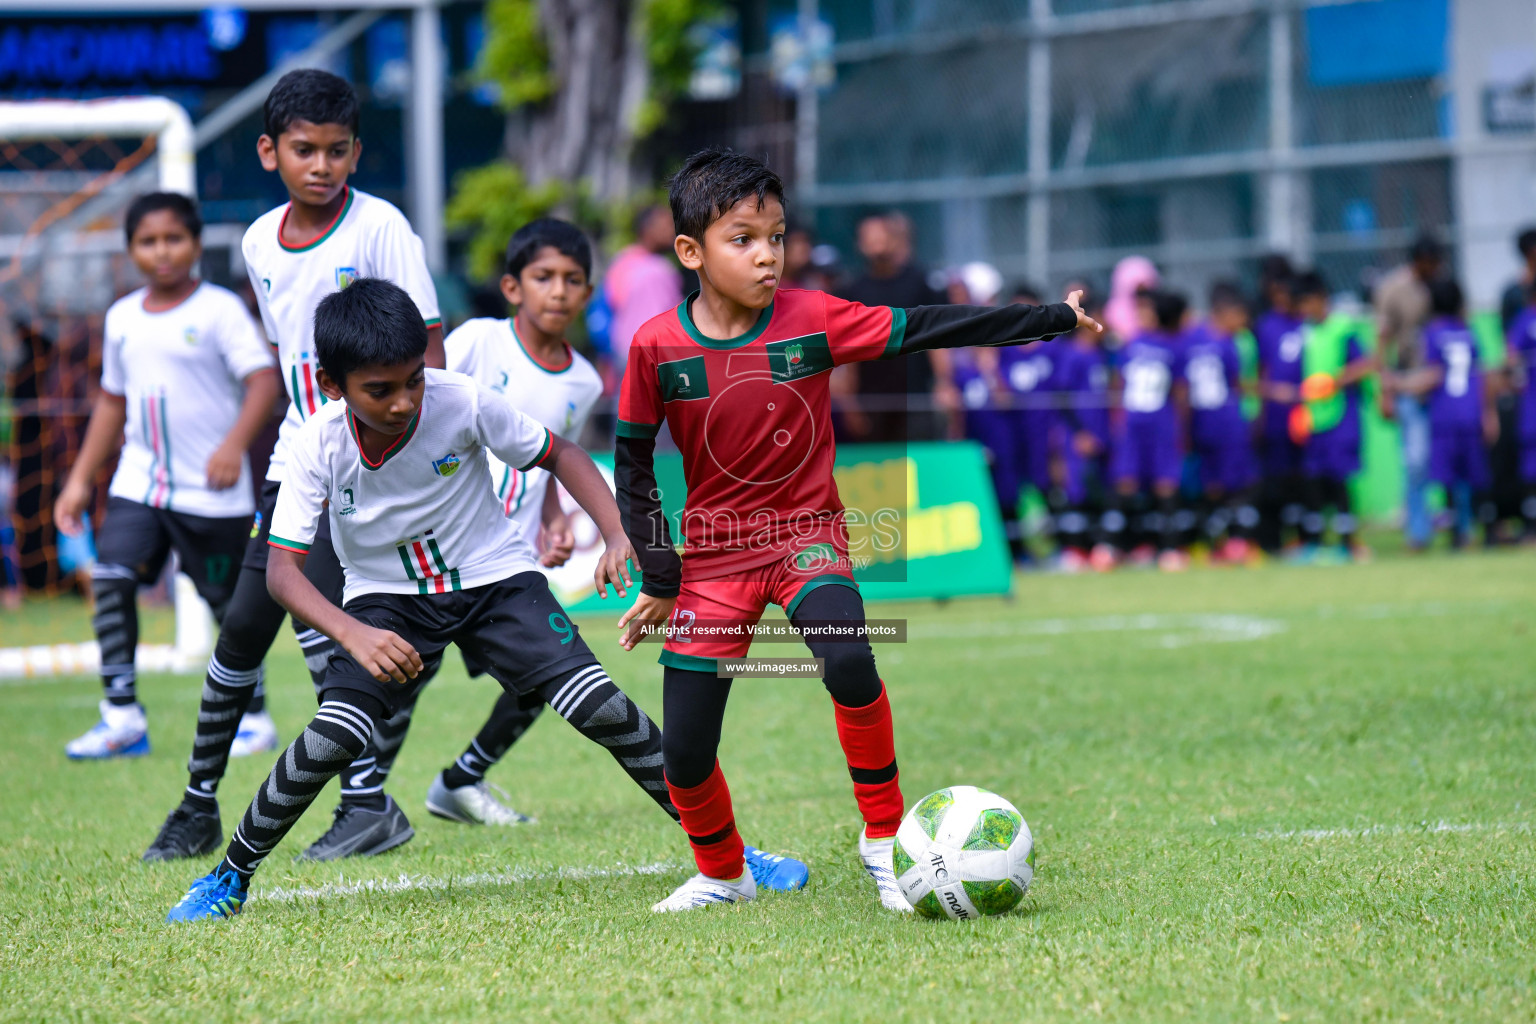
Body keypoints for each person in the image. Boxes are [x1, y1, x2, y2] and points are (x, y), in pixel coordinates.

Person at [613, 148, 1098, 912]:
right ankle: (723, 873)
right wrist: (660, 575)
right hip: (712, 559)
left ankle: (883, 840)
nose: (767, 255)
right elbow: (632, 463)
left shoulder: (814, 317)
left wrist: (1051, 319)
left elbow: (935, 325)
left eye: (776, 236)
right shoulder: (655, 346)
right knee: (685, 750)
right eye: (743, 239)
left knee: (847, 658)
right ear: (690, 251)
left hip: (808, 536)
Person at [164, 279, 735, 921]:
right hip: (386, 599)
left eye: (414, 380)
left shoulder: (460, 399)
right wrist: (354, 633)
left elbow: (562, 453)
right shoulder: (313, 443)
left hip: (496, 582)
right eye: (381, 390)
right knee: (333, 737)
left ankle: (731, 861)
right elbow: (283, 574)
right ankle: (227, 878)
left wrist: (613, 533)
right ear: (332, 385)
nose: (405, 401)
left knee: (603, 709)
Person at [141, 69, 447, 863]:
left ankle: (369, 806)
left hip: (371, 464)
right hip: (296, 461)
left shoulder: (381, 228)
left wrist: (410, 455)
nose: (321, 165)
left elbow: (428, 353)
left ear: (355, 153)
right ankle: (197, 806)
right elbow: (294, 363)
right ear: (269, 151)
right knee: (243, 626)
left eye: (337, 151)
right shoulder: (255, 242)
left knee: (333, 636)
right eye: (304, 150)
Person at [315, 218, 606, 835]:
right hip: (434, 548)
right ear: (512, 286)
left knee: (542, 679)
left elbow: (554, 455)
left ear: (587, 293)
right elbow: (430, 405)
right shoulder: (477, 341)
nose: (557, 291)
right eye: (543, 277)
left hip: (503, 554)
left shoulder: (586, 381)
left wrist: (553, 519)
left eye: (572, 280)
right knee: (409, 674)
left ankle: (462, 777)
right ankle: (366, 802)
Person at [54, 193, 280, 760]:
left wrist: (233, 447)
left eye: (173, 239)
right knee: (111, 578)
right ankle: (122, 716)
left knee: (227, 606)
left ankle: (253, 716)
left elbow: (262, 382)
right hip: (140, 482)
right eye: (148, 241)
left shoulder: (220, 309)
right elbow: (112, 400)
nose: (162, 252)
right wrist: (80, 478)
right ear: (130, 249)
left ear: (197, 244)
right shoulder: (123, 317)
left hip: (212, 492)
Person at [836, 211, 950, 443]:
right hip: (871, 401)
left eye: (881, 234)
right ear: (860, 243)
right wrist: (850, 404)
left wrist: (944, 383)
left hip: (915, 397)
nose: (876, 242)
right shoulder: (851, 290)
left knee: (916, 469)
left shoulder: (920, 282)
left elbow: (936, 339)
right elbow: (846, 353)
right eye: (869, 236)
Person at [1405, 280, 1498, 548]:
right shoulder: (1469, 332)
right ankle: (1485, 530)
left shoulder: (1432, 333)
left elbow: (1433, 374)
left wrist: (1400, 384)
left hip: (1444, 415)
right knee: (1475, 475)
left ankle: (1457, 534)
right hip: (1470, 413)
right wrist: (1489, 412)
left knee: (1449, 477)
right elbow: (1482, 374)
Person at [1293, 271, 1374, 562]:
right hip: (1313, 418)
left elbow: (1365, 364)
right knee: (1314, 481)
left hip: (1341, 417)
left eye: (1307, 303)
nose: (1304, 310)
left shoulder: (1343, 328)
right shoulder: (1305, 332)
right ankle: (1314, 543)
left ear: (1321, 299)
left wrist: (1334, 383)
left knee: (1340, 480)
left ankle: (1347, 543)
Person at [1109, 289, 1188, 571]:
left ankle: (1169, 548)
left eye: (1147, 310)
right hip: (1133, 423)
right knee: (1126, 481)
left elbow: (1180, 391)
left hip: (1161, 423)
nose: (1142, 315)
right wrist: (1117, 420)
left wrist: (1182, 427)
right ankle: (1112, 546)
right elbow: (1117, 385)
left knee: (1165, 483)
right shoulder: (1128, 345)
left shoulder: (1173, 346)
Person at [1375, 236, 1444, 551]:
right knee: (1415, 460)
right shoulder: (1393, 288)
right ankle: (1418, 532)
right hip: (1407, 385)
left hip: (1441, 385)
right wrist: (1384, 391)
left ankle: (1457, 526)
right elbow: (1382, 342)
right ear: (1419, 261)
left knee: (1445, 457)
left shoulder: (1442, 287)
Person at [1182, 281, 1258, 563]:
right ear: (1224, 312)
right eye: (1239, 315)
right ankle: (1229, 541)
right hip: (1224, 423)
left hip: (1204, 423)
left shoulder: (1193, 337)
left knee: (1216, 484)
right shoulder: (1226, 344)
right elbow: (1236, 385)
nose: (1243, 322)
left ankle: (1219, 543)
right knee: (1232, 484)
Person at [1052, 294, 1115, 572]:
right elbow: (1062, 396)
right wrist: (1079, 433)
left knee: (1100, 491)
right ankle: (1074, 549)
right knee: (1076, 491)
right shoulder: (1073, 355)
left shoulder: (1102, 355)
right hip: (1080, 436)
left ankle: (1100, 548)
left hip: (1101, 434)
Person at [1254, 261, 1306, 553]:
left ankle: (1303, 538)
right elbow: (1261, 372)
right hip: (1275, 416)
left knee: (1302, 481)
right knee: (1274, 480)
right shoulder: (1266, 325)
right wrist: (1261, 414)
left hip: (1306, 416)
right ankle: (1272, 541)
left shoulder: (1306, 324)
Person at [601, 204, 685, 379]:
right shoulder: (660, 269)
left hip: (624, 350)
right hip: (657, 354)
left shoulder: (622, 260)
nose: (672, 231)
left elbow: (612, 300)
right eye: (665, 226)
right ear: (647, 229)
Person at [1505, 282, 1536, 538]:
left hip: (1531, 407)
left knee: (1530, 467)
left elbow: (1511, 358)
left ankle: (1530, 525)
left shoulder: (1524, 320)